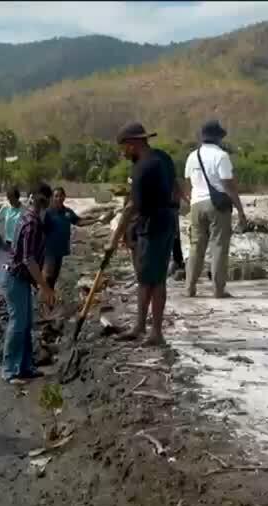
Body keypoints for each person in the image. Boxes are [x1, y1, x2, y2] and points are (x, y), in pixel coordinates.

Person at [115, 122, 178, 347]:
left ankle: (155, 332)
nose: (122, 153)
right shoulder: (163, 158)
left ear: (132, 144)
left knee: (154, 280)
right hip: (167, 221)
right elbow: (175, 189)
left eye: (123, 148)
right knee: (147, 279)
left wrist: (118, 235)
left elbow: (133, 207)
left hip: (153, 227)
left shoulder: (142, 168)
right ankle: (141, 326)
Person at [183, 120, 248, 298]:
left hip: (196, 205)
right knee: (219, 246)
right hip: (217, 206)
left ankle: (189, 287)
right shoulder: (221, 156)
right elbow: (228, 186)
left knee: (196, 246)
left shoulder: (192, 156)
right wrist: (240, 210)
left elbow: (188, 183)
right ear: (218, 137)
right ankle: (218, 289)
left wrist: (191, 201)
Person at [3, 184, 56, 384]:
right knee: (17, 325)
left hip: (22, 279)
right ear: (33, 198)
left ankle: (24, 367)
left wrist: (38, 283)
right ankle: (9, 371)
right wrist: (44, 286)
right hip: (16, 278)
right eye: (40, 198)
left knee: (25, 325)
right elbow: (29, 259)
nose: (43, 202)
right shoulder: (31, 223)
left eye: (45, 198)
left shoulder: (31, 219)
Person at [41, 186, 84, 290]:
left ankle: (49, 300)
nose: (59, 198)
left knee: (54, 278)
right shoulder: (47, 212)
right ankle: (44, 299)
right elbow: (39, 229)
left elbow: (79, 222)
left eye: (61, 196)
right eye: (56, 196)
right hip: (49, 250)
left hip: (61, 250)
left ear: (64, 197)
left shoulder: (67, 212)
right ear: (52, 197)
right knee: (47, 277)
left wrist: (97, 220)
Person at [0, 186, 23, 251]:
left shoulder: (24, 209)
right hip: (7, 242)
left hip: (20, 243)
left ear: (17, 198)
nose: (10, 201)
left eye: (12, 198)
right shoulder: (6, 207)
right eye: (9, 198)